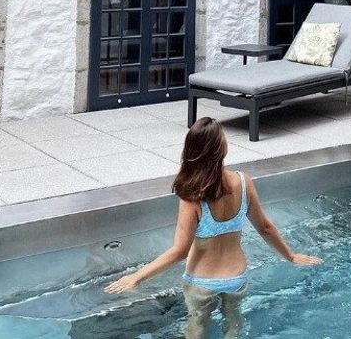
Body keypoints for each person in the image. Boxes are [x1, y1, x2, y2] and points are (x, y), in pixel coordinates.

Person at [104, 117, 320, 339]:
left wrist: (137, 277)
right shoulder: (244, 183)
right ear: (222, 148)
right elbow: (265, 227)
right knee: (234, 323)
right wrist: (291, 256)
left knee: (197, 326)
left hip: (202, 281)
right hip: (237, 277)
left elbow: (179, 251)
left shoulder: (191, 197)